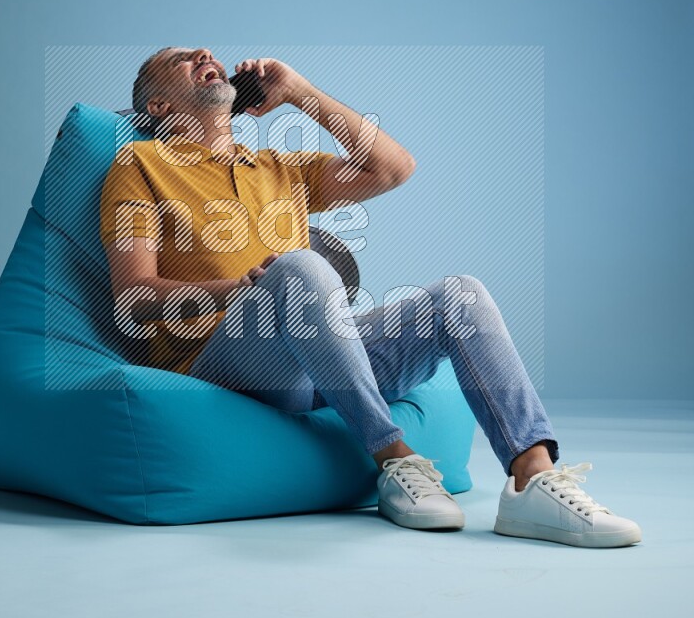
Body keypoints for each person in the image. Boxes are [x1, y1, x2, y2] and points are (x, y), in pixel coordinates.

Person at [99, 46, 641, 549]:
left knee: (460, 295)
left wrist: (298, 92)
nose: (203, 54)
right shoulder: (139, 166)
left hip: (321, 361)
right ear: (158, 104)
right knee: (301, 266)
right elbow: (134, 295)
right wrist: (242, 290)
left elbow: (393, 167)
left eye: (205, 51)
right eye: (179, 59)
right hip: (229, 363)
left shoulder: (278, 169)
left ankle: (533, 479)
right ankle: (395, 459)